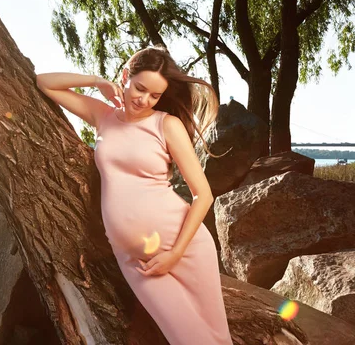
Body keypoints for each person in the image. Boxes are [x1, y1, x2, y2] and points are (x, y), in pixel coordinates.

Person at [36, 46, 233, 344]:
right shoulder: (102, 115)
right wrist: (96, 81)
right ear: (126, 76)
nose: (144, 100)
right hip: (135, 260)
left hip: (184, 248)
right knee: (185, 337)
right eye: (140, 88)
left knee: (213, 338)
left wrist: (175, 253)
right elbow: (43, 82)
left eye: (154, 96)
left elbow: (203, 195)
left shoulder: (166, 124)